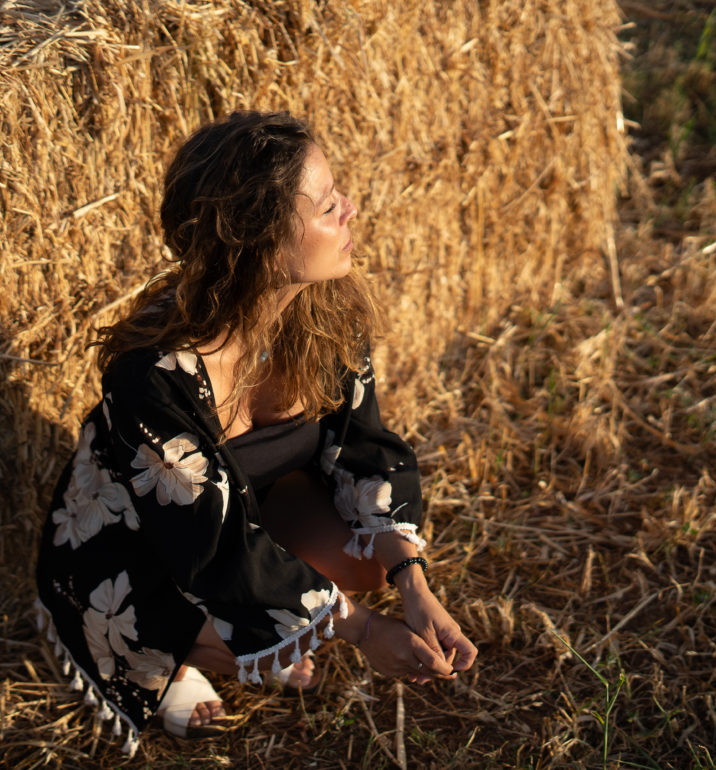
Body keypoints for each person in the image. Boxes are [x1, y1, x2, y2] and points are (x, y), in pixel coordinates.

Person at [35, 110, 477, 756]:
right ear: (261, 246)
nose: (350, 210)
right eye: (327, 206)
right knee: (221, 622)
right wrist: (362, 631)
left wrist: (413, 583)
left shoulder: (330, 309)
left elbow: (364, 447)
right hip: (141, 546)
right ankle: (180, 658)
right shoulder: (152, 376)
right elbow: (211, 548)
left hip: (249, 509)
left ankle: (270, 625)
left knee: (365, 560)